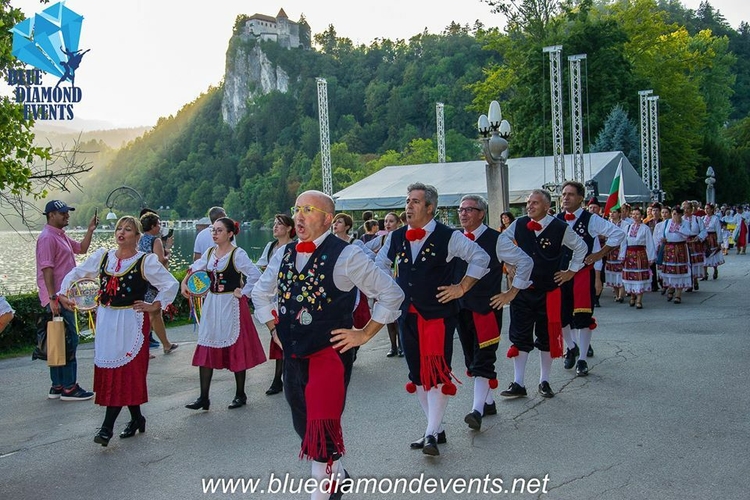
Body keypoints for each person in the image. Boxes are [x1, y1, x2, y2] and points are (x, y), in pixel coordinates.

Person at [252, 190, 403, 500]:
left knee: (320, 432)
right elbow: (259, 292)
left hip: (328, 357)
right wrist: (272, 327)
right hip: (293, 354)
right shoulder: (284, 252)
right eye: (296, 209)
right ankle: (339, 472)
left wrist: (363, 333)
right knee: (302, 424)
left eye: (308, 209)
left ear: (327, 219)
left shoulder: (347, 255)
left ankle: (325, 485)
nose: (298, 215)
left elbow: (392, 294)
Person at [376, 182, 490, 456]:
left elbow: (481, 257)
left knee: (436, 373)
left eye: (415, 201)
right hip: (407, 315)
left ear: (430, 207)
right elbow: (378, 263)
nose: (408, 206)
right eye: (407, 201)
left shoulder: (448, 236)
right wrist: (388, 289)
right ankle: (435, 428)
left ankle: (430, 433)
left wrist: (461, 287)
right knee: (416, 375)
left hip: (437, 316)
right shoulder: (397, 236)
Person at [57, 216, 179, 446]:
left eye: (128, 229)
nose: (121, 232)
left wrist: (155, 305)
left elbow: (170, 284)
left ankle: (106, 428)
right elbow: (77, 273)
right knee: (116, 370)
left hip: (131, 321)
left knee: (126, 370)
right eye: (119, 229)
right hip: (107, 319)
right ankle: (137, 418)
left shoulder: (145, 261)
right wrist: (63, 292)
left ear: (137, 236)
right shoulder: (104, 257)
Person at [498, 190, 586, 399]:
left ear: (547, 206)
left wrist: (571, 271)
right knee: (520, 337)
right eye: (528, 202)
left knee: (546, 337)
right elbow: (501, 243)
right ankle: (518, 382)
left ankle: (544, 381)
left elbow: (581, 248)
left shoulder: (560, 227)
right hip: (522, 291)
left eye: (535, 202)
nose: (530, 206)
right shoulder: (518, 224)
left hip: (548, 291)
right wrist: (508, 262)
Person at [455, 195, 532, 430]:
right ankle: (488, 402)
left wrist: (510, 293)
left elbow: (525, 262)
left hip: (487, 308)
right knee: (470, 358)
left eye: (470, 209)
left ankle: (476, 410)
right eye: (461, 209)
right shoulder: (455, 238)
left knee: (483, 358)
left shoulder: (496, 240)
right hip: (461, 308)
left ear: (481, 213)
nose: (464, 213)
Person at [182, 217, 266, 411]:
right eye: (213, 230)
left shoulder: (238, 254)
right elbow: (196, 268)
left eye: (219, 230)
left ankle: (240, 393)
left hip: (231, 304)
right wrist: (185, 282)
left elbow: (255, 275)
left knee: (236, 345)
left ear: (230, 234)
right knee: (206, 343)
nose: (214, 233)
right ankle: (204, 397)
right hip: (212, 303)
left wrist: (243, 293)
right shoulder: (210, 252)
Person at [558, 181, 625, 377]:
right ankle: (571, 347)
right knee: (561, 317)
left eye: (570, 194)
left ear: (580, 198)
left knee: (583, 317)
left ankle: (582, 360)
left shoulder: (591, 220)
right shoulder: (556, 219)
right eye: (564, 194)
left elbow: (618, 234)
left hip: (581, 274)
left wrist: (599, 254)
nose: (566, 198)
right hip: (561, 274)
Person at [35, 200, 97, 401]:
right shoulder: (47, 238)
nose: (67, 216)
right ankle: (70, 387)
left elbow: (82, 249)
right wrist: (53, 298)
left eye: (67, 212)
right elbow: (47, 269)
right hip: (58, 297)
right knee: (70, 339)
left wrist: (90, 230)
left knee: (57, 341)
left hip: (61, 296)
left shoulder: (60, 236)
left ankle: (58, 385)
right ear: (51, 215)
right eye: (63, 213)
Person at [256, 214, 296, 396]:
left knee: (286, 335)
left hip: (288, 295)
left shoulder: (293, 247)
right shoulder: (271, 246)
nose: (275, 227)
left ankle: (281, 377)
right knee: (277, 337)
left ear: (289, 228)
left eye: (279, 224)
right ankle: (281, 377)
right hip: (272, 294)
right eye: (274, 224)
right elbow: (263, 266)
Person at [138, 211, 178, 354]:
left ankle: (166, 344)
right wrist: (167, 250)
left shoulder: (139, 239)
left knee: (155, 313)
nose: (160, 226)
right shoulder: (156, 240)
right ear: (153, 226)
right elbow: (160, 261)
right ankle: (141, 349)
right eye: (159, 224)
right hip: (154, 281)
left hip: (142, 279)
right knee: (153, 312)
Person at [364, 212, 403, 357]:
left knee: (399, 315)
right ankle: (393, 346)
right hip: (385, 280)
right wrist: (375, 257)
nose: (387, 224)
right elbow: (364, 247)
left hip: (398, 278)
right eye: (386, 221)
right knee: (388, 316)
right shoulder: (381, 239)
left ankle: (402, 346)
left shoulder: (402, 237)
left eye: (391, 221)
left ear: (398, 222)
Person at [619, 207, 656, 309]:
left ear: (642, 216)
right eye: (633, 214)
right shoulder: (627, 227)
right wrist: (622, 255)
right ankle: (632, 296)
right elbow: (623, 243)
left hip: (640, 254)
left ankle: (639, 300)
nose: (635, 216)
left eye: (637, 214)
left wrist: (651, 257)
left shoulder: (645, 228)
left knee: (639, 276)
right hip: (629, 254)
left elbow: (649, 243)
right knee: (631, 276)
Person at [655, 206, 692, 304]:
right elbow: (660, 234)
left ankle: (678, 294)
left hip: (680, 248)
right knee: (670, 270)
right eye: (674, 214)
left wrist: (678, 226)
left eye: (677, 214)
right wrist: (662, 238)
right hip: (669, 248)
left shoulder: (685, 223)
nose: (675, 216)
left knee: (679, 271)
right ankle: (671, 287)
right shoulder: (667, 223)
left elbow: (687, 234)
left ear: (681, 215)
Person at [682, 201, 707, 290]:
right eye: (684, 208)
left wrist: (699, 237)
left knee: (695, 262)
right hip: (685, 243)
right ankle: (689, 282)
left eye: (688, 208)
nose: (686, 210)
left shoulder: (697, 219)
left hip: (695, 243)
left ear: (692, 209)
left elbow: (704, 230)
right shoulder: (680, 219)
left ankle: (695, 279)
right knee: (687, 263)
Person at [604, 208, 625, 303]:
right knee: (612, 272)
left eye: (614, 212)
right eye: (611, 212)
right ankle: (616, 294)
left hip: (621, 250)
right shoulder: (607, 224)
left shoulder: (625, 224)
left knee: (621, 272)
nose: (612, 214)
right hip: (610, 251)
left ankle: (621, 294)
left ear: (619, 213)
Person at [702, 203, 724, 280]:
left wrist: (719, 241)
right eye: (705, 208)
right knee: (704, 255)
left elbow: (718, 230)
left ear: (712, 209)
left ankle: (715, 269)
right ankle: (705, 273)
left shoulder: (715, 218)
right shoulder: (703, 218)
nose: (706, 210)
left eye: (708, 208)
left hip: (712, 238)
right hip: (705, 238)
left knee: (713, 254)